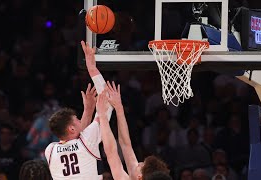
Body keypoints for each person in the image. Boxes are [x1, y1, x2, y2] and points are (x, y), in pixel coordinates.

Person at [44, 41, 113, 180]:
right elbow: (108, 102)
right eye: (77, 120)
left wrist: (88, 110)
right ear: (71, 129)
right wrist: (92, 69)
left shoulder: (50, 150)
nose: (80, 120)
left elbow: (80, 135)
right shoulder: (87, 141)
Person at [97, 83, 172, 180]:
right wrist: (119, 107)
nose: (139, 163)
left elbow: (111, 152)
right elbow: (125, 145)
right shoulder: (139, 176)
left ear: (140, 177)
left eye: (141, 165)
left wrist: (102, 115)